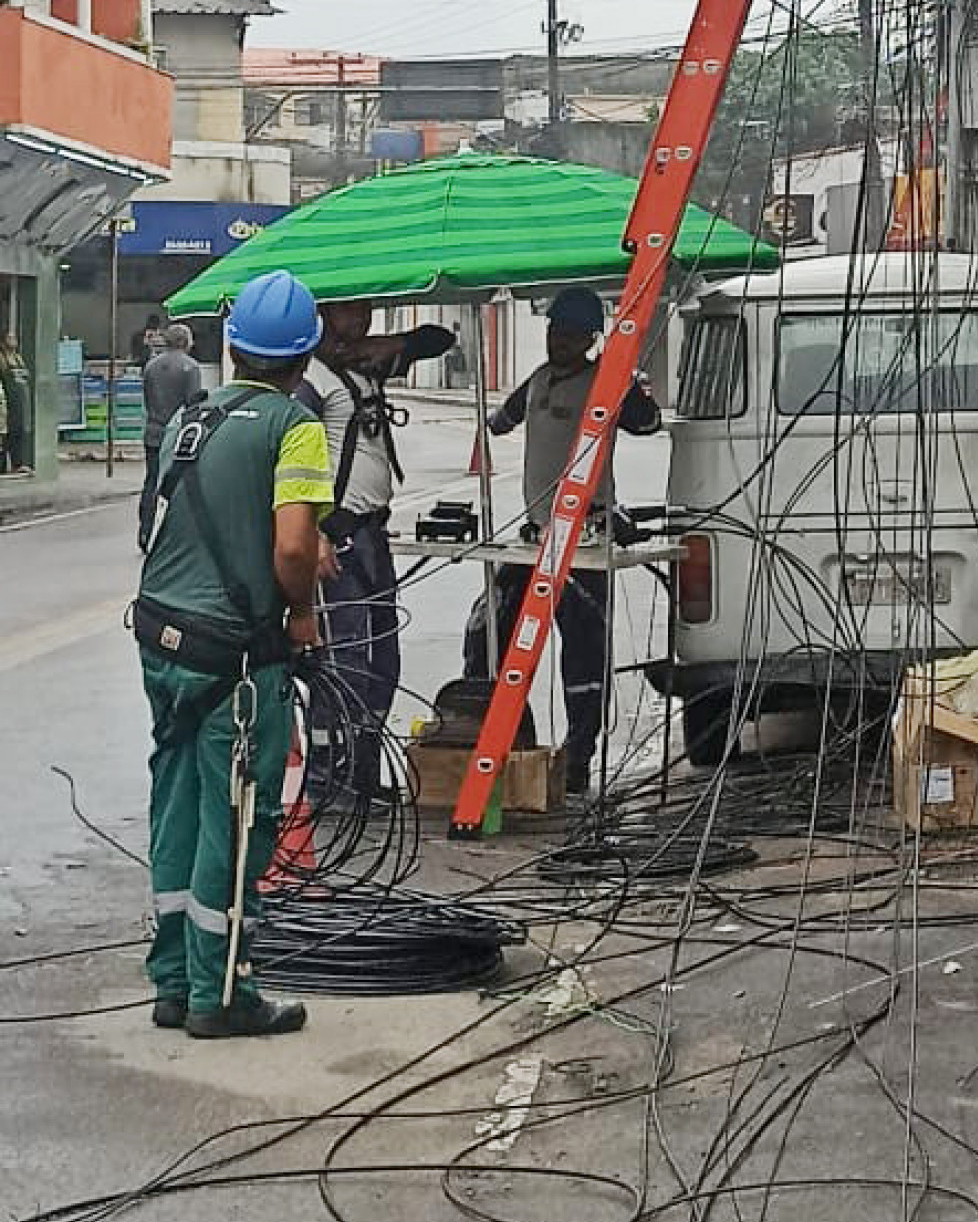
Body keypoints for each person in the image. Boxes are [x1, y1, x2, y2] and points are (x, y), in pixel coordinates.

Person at [133, 270, 332, 1038]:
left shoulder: (192, 419)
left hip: (160, 640)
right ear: (303, 357)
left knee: (176, 801)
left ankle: (174, 980)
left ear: (233, 346)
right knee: (240, 815)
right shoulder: (296, 426)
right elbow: (290, 544)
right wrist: (304, 612)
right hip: (236, 657)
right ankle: (223, 996)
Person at [477, 287, 661, 792]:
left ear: (589, 339)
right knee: (491, 634)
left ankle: (579, 756)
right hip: (535, 538)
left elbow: (649, 423)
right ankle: (502, 740)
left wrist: (626, 382)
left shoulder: (604, 384)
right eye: (556, 332)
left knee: (583, 651)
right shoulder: (538, 380)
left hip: (585, 540)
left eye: (572, 335)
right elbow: (499, 422)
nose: (560, 341)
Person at [297, 299, 457, 784]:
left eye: (366, 312)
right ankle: (330, 775)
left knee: (381, 654)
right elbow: (286, 466)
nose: (358, 322)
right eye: (348, 313)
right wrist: (312, 532)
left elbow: (441, 338)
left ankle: (363, 770)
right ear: (322, 315)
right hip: (335, 536)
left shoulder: (367, 364)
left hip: (372, 533)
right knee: (342, 656)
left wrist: (394, 344)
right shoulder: (311, 381)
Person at [139, 324, 203, 549]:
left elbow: (147, 400)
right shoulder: (191, 367)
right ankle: (172, 535)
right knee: (177, 485)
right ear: (185, 342)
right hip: (177, 435)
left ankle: (145, 530)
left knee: (151, 481)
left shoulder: (150, 366)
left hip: (153, 431)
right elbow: (193, 405)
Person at [0, 326, 29, 474]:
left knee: (19, 432)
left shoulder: (18, 358)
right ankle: (2, 466)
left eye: (14, 337)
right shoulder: (2, 358)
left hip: (20, 402)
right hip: (6, 402)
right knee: (5, 435)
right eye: (9, 338)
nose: (13, 340)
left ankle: (18, 464)